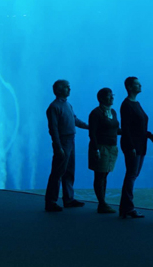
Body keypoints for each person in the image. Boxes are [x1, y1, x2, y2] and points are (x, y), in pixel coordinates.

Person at [45, 79, 89, 212]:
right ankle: (51, 201)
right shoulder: (54, 107)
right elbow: (53, 129)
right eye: (66, 87)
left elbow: (74, 120)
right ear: (58, 90)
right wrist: (58, 147)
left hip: (70, 140)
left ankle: (68, 199)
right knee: (58, 172)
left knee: (69, 171)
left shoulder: (68, 105)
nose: (69, 89)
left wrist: (88, 126)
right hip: (63, 142)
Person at [118, 77, 153, 219]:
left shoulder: (136, 103)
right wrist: (131, 146)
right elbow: (126, 128)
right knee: (131, 176)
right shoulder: (127, 105)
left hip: (140, 145)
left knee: (133, 175)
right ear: (129, 87)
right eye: (137, 83)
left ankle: (125, 208)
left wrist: (148, 134)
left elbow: (137, 127)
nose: (140, 85)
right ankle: (128, 208)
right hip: (133, 146)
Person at [88, 88, 120, 214]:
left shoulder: (113, 112)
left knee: (105, 174)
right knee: (100, 175)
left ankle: (103, 202)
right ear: (101, 98)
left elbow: (116, 129)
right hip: (101, 148)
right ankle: (101, 203)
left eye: (112, 95)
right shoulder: (96, 113)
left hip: (112, 148)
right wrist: (96, 149)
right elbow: (92, 133)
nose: (112, 97)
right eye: (109, 96)